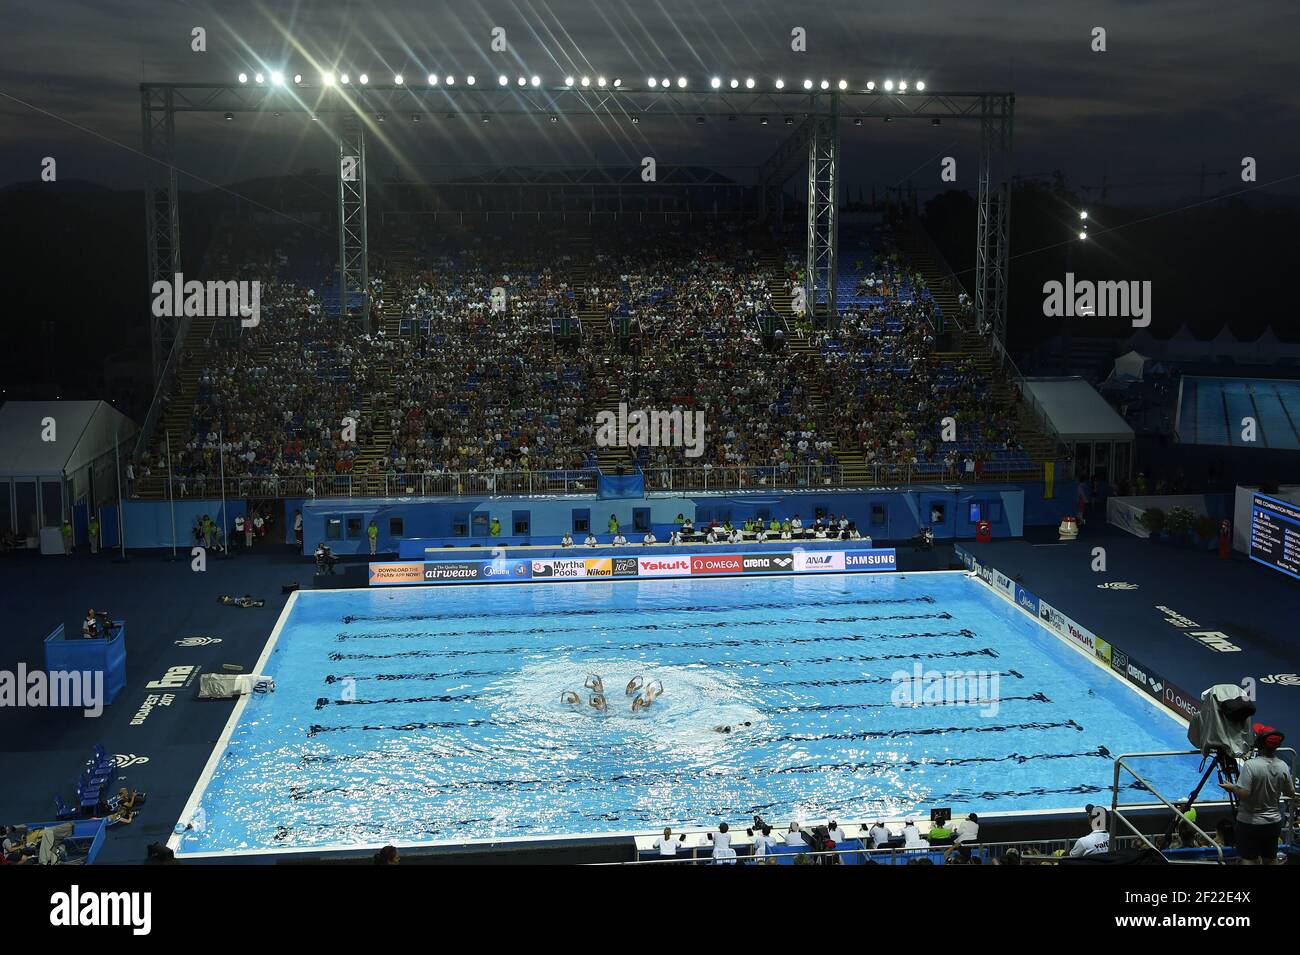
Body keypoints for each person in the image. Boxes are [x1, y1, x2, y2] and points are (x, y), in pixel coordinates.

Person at [1222, 723, 1295, 864]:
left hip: (1249, 823)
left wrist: (1231, 787)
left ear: (1259, 743)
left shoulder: (1251, 765)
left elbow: (1243, 794)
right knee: (1270, 859)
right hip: (1273, 823)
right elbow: (1289, 792)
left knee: (1250, 860)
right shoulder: (1283, 766)